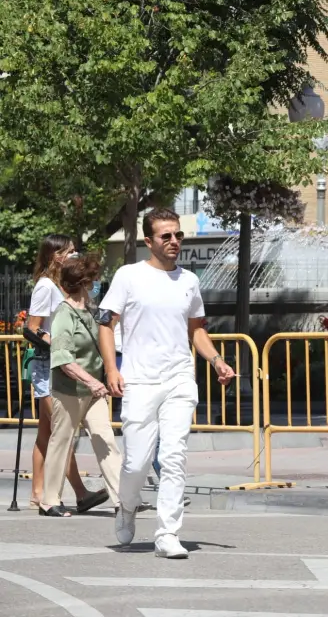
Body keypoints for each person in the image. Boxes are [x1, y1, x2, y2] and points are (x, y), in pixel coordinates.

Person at [98, 208, 234, 559]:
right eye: (166, 236)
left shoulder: (189, 281)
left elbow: (197, 329)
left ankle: (167, 534)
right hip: (140, 380)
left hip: (179, 379)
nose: (174, 242)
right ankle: (127, 505)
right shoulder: (129, 276)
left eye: (178, 235)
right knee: (136, 462)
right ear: (149, 241)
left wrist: (216, 360)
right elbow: (105, 324)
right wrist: (112, 369)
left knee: (173, 457)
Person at [26, 234, 108, 513]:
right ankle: (71, 493)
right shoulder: (46, 286)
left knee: (49, 431)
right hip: (49, 366)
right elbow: (32, 327)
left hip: (60, 365)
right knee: (62, 431)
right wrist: (58, 345)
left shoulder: (61, 286)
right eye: (70, 252)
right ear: (55, 256)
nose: (75, 255)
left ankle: (41, 492)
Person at [39, 255, 122, 517]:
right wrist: (92, 380)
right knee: (62, 441)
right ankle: (49, 500)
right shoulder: (64, 314)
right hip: (70, 390)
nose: (97, 284)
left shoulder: (91, 312)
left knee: (105, 438)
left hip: (93, 391)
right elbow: (63, 359)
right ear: (84, 283)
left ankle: (123, 498)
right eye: (94, 280)